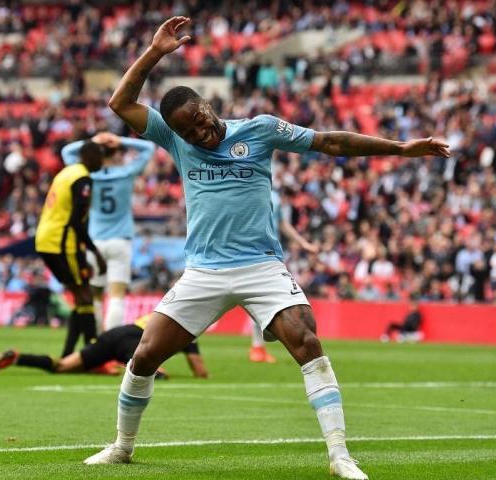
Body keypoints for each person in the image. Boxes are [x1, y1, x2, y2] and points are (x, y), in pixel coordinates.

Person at [83, 17, 449, 480]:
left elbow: (330, 141)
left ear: (206, 105)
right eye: (189, 132)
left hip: (260, 266)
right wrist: (156, 53)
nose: (199, 134)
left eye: (199, 121)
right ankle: (122, 447)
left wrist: (399, 149)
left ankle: (339, 455)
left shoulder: (259, 129)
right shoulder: (174, 139)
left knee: (306, 339)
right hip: (204, 272)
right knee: (144, 356)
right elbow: (120, 102)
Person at [62, 132, 156, 333]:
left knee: (95, 296)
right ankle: (111, 345)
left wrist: (92, 141)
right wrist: (120, 140)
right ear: (116, 154)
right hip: (120, 241)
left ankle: (96, 342)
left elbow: (67, 152)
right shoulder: (126, 172)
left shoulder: (88, 175)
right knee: (116, 295)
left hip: (94, 243)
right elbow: (148, 148)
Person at [35, 141, 107, 357]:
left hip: (45, 239)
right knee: (85, 294)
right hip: (62, 241)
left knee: (79, 293)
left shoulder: (67, 172)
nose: (102, 162)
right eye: (100, 157)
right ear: (89, 156)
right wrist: (96, 253)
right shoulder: (82, 178)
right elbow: (76, 221)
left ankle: (68, 355)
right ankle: (92, 355)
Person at [0, 313, 207, 379]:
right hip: (134, 342)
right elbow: (200, 371)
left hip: (115, 334)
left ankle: (18, 357)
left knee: (61, 366)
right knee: (152, 374)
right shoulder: (188, 327)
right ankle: (118, 367)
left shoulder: (164, 310)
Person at [249, 188, 319, 363]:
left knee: (262, 299)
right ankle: (258, 347)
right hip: (252, 253)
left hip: (272, 255)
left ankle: (259, 348)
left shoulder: (275, 197)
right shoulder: (248, 188)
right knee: (256, 299)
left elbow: (281, 223)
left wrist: (302, 243)